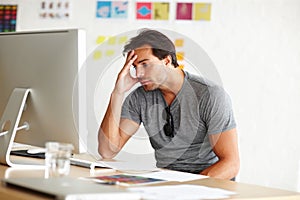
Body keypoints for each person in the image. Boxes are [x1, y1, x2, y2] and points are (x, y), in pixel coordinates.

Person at [98, 29, 240, 180]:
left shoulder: (210, 95)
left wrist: (189, 189)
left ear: (166, 60)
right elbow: (107, 151)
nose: (138, 73)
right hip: (167, 183)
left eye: (145, 64)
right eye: (135, 67)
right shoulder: (139, 98)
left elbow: (231, 164)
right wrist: (117, 93)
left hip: (209, 183)